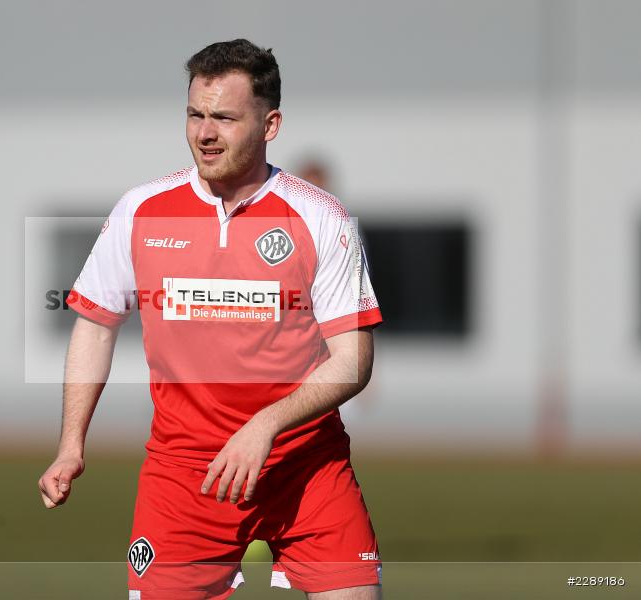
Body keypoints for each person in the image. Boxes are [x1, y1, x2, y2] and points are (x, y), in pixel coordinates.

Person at [39, 39, 383, 600]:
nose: (205, 132)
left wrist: (266, 425)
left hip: (306, 469)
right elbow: (96, 325)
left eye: (224, 117)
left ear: (270, 125)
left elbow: (353, 361)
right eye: (196, 115)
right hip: (184, 477)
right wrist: (71, 443)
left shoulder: (321, 218)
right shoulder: (142, 210)